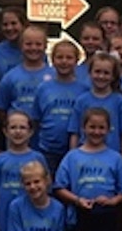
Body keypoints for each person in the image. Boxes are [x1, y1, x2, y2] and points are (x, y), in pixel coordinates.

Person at [54, 107, 122, 231]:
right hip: (79, 212)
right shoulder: (72, 156)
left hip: (105, 213)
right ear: (83, 128)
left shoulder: (115, 158)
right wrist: (77, 200)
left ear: (109, 130)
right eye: (92, 127)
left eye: (101, 128)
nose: (96, 132)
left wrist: (111, 201)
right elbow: (59, 188)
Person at [0, 111, 46, 231]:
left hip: (30, 214)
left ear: (31, 132)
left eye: (22, 128)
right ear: (5, 131)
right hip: (4, 215)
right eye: (13, 127)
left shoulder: (38, 158)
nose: (18, 132)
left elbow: (46, 191)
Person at [28, 37, 86, 172]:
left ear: (77, 60)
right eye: (59, 57)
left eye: (69, 58)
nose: (64, 61)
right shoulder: (43, 88)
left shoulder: (84, 89)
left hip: (76, 149)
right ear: (52, 60)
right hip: (47, 149)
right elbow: (36, 120)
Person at [69, 52, 122, 157]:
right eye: (97, 72)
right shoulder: (81, 100)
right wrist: (72, 157)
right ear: (90, 73)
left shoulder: (121, 101)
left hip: (111, 156)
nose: (101, 76)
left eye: (106, 73)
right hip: (85, 156)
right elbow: (74, 133)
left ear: (113, 76)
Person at [0, 6, 26, 145]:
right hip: (1, 117)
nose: (9, 28)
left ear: (23, 25)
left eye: (14, 23)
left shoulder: (33, 51)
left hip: (26, 120)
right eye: (5, 24)